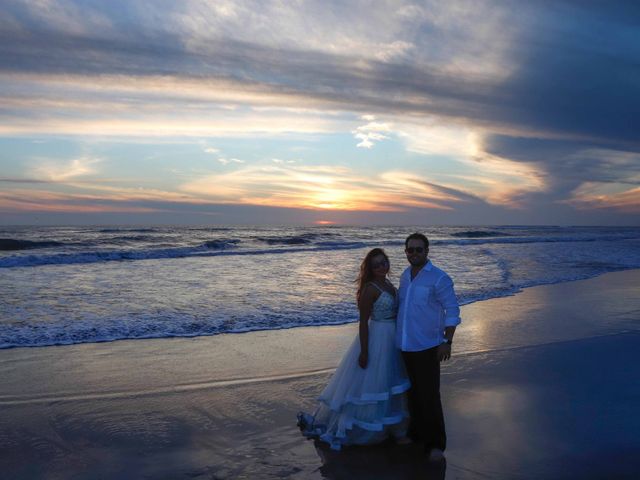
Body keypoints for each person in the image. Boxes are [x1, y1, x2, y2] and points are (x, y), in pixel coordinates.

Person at [297, 248, 410, 450]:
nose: (381, 267)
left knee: (391, 383)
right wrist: (364, 351)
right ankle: (371, 429)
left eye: (384, 262)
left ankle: (393, 428)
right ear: (370, 268)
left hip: (394, 337)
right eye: (376, 264)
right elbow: (363, 323)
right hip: (378, 338)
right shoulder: (370, 289)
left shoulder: (389, 284)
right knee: (376, 384)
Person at [397, 232, 461, 462]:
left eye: (418, 249)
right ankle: (416, 435)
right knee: (412, 394)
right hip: (405, 345)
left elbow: (452, 310)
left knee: (429, 396)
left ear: (427, 251)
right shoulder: (405, 276)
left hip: (428, 346)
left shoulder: (439, 278)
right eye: (410, 250)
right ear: (406, 252)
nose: (414, 253)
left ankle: (436, 444)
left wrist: (447, 342)